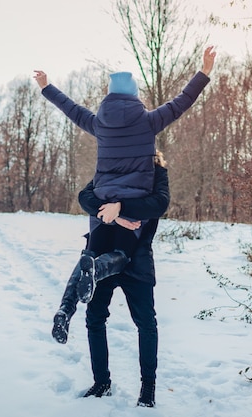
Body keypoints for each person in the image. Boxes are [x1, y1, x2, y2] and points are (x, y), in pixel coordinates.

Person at [33, 46, 216, 305]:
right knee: (123, 254)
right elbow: (182, 101)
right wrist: (204, 71)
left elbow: (71, 109)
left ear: (109, 95)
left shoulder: (99, 123)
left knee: (95, 252)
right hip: (132, 206)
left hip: (103, 204)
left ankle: (67, 306)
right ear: (134, 95)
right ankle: (96, 270)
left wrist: (46, 87)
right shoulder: (149, 122)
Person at [77, 151, 169, 407]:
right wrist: (112, 214)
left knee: (146, 323)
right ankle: (101, 382)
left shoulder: (156, 171)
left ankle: (148, 388)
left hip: (136, 259)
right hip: (102, 252)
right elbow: (85, 196)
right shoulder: (112, 164)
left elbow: (159, 203)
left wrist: (122, 207)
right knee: (95, 319)